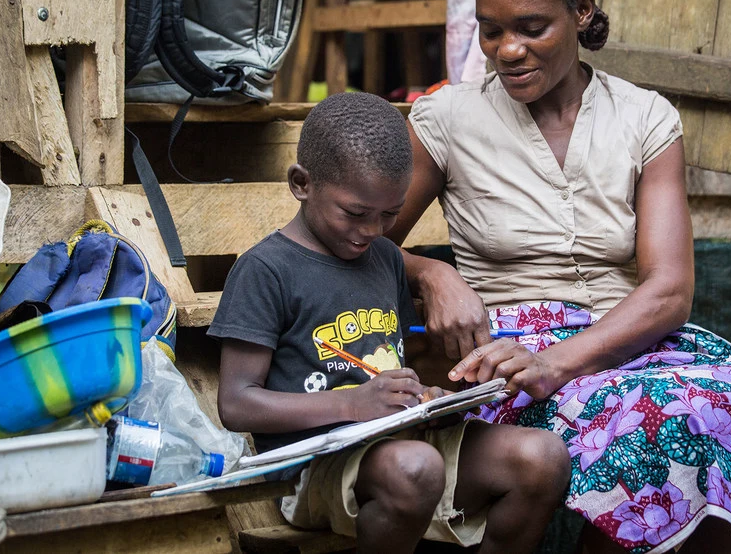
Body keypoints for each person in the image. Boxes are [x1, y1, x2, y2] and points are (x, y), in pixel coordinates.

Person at [386, 0, 731, 554]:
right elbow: (360, 240)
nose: (509, 49)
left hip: (630, 344)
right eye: (492, 29)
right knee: (658, 420)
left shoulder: (645, 118)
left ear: (581, 12)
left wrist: (559, 361)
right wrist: (433, 272)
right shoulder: (447, 120)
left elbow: (668, 291)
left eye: (533, 27)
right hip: (508, 358)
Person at [212, 92, 571, 554]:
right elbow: (236, 404)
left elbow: (387, 361)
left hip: (399, 444)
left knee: (543, 458)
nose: (373, 230)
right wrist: (354, 404)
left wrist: (427, 399)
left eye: (390, 214)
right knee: (415, 468)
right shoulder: (266, 270)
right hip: (316, 465)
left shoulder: (383, 259)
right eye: (356, 213)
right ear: (302, 183)